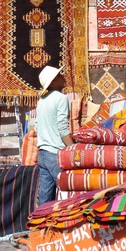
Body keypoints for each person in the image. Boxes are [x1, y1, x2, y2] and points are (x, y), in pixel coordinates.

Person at [35, 66, 73, 205]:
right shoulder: (62, 98)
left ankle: (40, 225)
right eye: (58, 76)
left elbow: (37, 126)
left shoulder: (41, 100)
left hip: (43, 154)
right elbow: (62, 128)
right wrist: (74, 149)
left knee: (45, 200)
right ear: (51, 83)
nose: (62, 77)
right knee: (67, 194)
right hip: (56, 154)